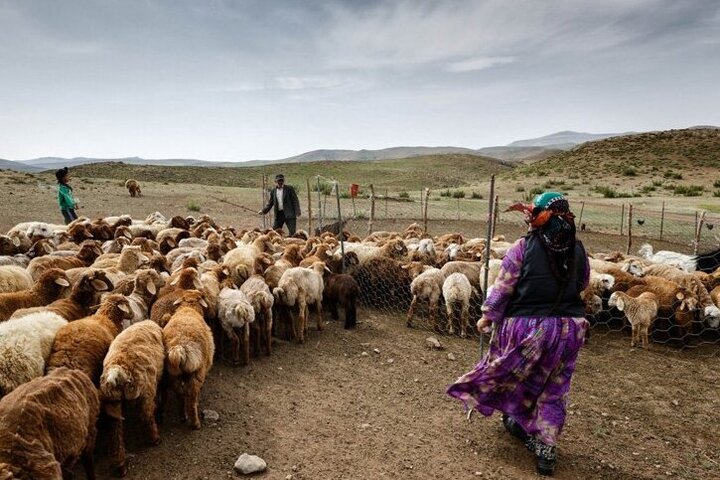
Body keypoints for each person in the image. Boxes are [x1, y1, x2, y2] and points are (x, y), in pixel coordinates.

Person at [446, 192, 589, 476]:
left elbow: (504, 287)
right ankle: (545, 446)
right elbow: (583, 284)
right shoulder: (579, 250)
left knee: (513, 375)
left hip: (529, 328)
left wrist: (487, 316)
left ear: (536, 219)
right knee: (554, 387)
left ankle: (514, 418)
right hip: (569, 329)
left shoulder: (522, 248)